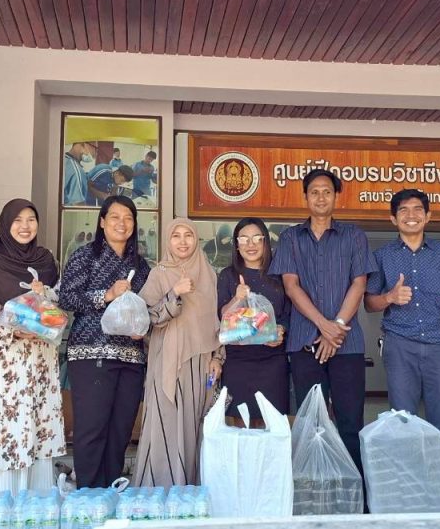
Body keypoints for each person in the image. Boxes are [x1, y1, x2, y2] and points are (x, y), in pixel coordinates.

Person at [268, 169, 377, 470]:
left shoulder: (354, 236)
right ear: (305, 197)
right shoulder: (290, 238)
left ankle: (356, 491)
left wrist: (336, 327)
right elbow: (291, 286)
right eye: (314, 191)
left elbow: (359, 283)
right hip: (305, 345)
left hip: (347, 345)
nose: (320, 197)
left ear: (336, 197)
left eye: (327, 191)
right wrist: (324, 326)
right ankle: (315, 488)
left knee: (350, 423)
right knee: (311, 425)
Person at [364, 189, 440, 469]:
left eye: (417, 209)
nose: (411, 215)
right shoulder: (382, 256)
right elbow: (369, 303)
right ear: (393, 218)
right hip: (399, 345)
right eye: (403, 210)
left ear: (428, 216)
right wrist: (389, 297)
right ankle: (407, 490)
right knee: (402, 422)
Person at [0, 199, 64, 493]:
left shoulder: (46, 260)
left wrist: (43, 294)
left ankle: (36, 499)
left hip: (39, 355)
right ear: (5, 224)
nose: (25, 226)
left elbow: (59, 301)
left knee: (35, 423)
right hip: (5, 358)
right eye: (18, 220)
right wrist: (15, 330)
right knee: (6, 425)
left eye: (31, 220)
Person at [59, 196, 151, 488]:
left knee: (120, 430)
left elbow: (147, 306)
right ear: (102, 222)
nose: (122, 223)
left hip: (131, 357)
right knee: (92, 428)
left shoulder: (140, 265)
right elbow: (66, 298)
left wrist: (143, 328)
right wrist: (106, 295)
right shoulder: (85, 255)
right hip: (91, 354)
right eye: (115, 217)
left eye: (128, 218)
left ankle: (110, 492)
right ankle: (88, 494)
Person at [134, 218, 222, 488]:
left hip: (201, 362)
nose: (182, 241)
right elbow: (145, 318)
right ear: (168, 241)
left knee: (193, 426)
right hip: (167, 361)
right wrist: (174, 293)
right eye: (176, 236)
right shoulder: (159, 274)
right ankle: (157, 491)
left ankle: (189, 490)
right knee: (165, 425)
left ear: (196, 239)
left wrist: (218, 357)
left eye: (188, 235)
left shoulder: (209, 274)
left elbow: (218, 321)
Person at [216, 218, 290, 425]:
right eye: (244, 239)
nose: (251, 244)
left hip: (273, 360)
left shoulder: (279, 275)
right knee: (241, 423)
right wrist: (237, 298)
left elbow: (289, 313)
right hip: (238, 361)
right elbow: (221, 318)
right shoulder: (228, 276)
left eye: (257, 238)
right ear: (236, 245)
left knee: (270, 423)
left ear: (266, 242)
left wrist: (281, 329)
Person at [64, 141, 97, 206]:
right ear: (83, 144)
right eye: (95, 148)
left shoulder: (64, 160)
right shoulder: (76, 169)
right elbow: (78, 204)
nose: (95, 154)